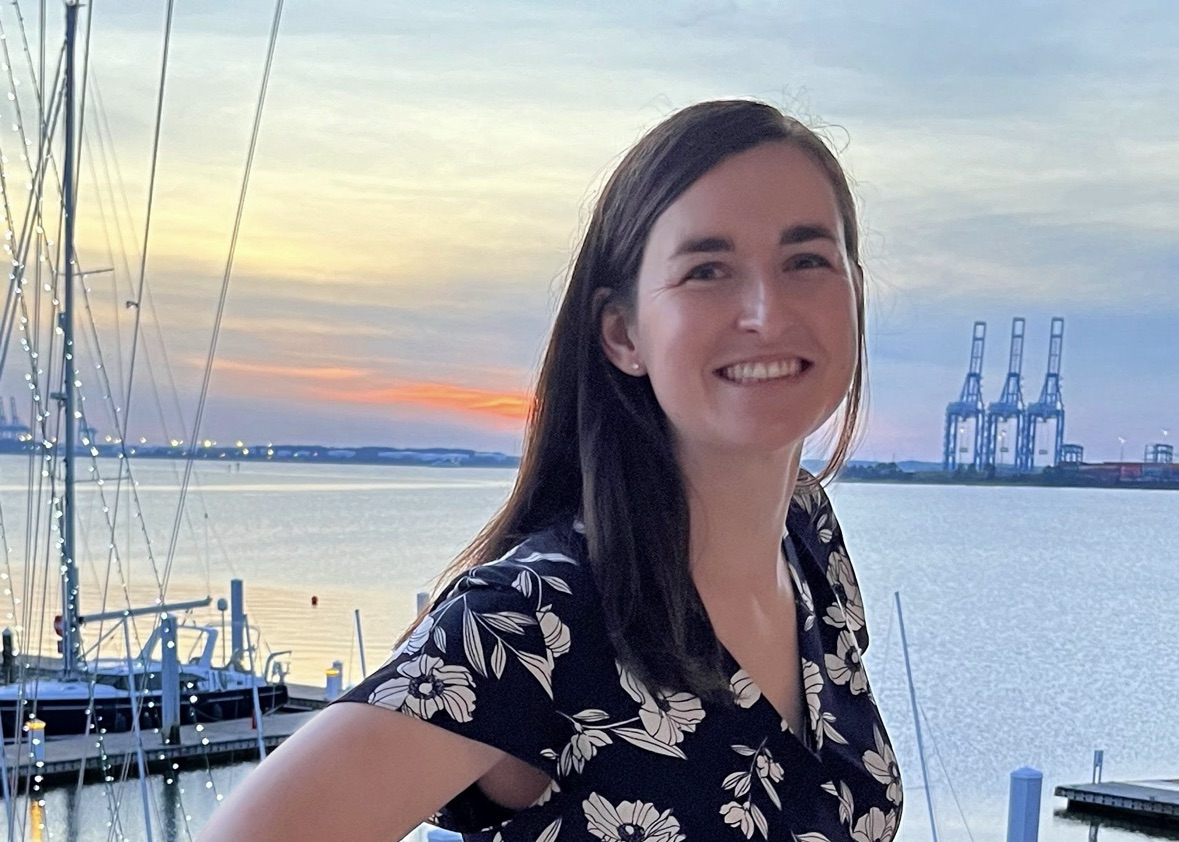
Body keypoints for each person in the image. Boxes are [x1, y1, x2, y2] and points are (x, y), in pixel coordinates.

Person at [199, 99, 903, 842]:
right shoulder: (535, 618)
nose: (765, 310)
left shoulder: (806, 535)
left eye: (805, 261)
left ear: (852, 289)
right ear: (623, 333)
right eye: (707, 270)